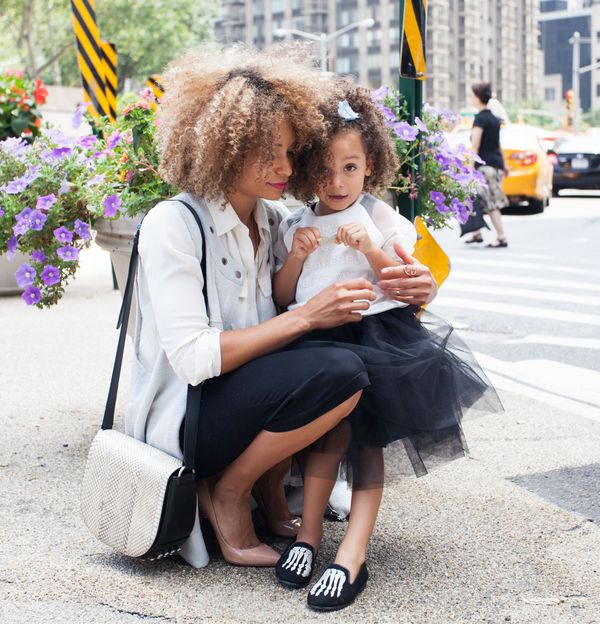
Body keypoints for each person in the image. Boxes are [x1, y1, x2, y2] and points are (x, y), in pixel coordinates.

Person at [125, 47, 437, 571]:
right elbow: (193, 358)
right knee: (339, 369)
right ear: (224, 148)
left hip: (249, 402)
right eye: (269, 152)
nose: (285, 168)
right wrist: (307, 316)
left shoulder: (275, 222)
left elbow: (365, 266)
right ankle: (228, 490)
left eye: (292, 153)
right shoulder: (172, 224)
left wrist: (420, 287)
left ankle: (271, 495)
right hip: (190, 415)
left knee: (343, 367)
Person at [273, 80, 501, 611]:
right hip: (316, 338)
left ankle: (352, 551)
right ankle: (308, 536)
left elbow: (407, 279)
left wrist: (372, 249)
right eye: (325, 169)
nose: (336, 181)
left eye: (349, 168)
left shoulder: (379, 217)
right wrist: (297, 259)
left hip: (377, 339)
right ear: (308, 170)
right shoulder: (296, 223)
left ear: (369, 165)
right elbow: (285, 295)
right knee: (324, 437)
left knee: (366, 440)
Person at [464, 82, 510, 248]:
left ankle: (502, 236)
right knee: (475, 197)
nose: (471, 98)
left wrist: (469, 168)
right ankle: (476, 233)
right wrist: (504, 165)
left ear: (477, 97)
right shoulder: (494, 119)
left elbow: (475, 146)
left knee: (490, 202)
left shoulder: (481, 118)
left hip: (485, 167)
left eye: (472, 95)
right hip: (496, 165)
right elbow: (498, 145)